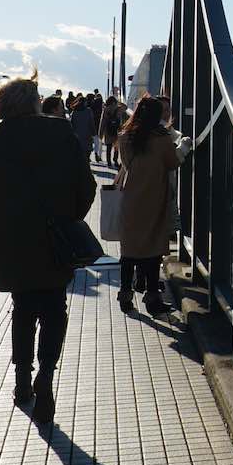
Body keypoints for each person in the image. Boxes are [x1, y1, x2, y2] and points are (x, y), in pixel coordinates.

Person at [0, 77, 96, 424]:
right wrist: (68, 220)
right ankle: (46, 375)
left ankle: (23, 380)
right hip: (54, 240)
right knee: (55, 307)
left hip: (11, 241)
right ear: (34, 101)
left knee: (22, 309)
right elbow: (87, 186)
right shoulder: (61, 135)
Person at [116, 96, 181, 316]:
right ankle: (153, 299)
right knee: (152, 252)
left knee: (129, 251)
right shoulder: (161, 138)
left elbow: (125, 163)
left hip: (131, 198)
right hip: (155, 198)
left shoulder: (125, 137)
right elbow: (173, 163)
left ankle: (125, 295)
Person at [68, 96, 96, 164]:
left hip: (77, 137)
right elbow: (91, 123)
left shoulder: (74, 112)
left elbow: (71, 125)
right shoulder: (88, 111)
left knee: (79, 154)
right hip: (87, 136)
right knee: (87, 154)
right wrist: (94, 133)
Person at [101, 97, 127, 168]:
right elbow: (126, 107)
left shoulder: (106, 109)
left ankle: (109, 162)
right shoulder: (118, 108)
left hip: (108, 130)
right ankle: (115, 161)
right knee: (116, 147)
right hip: (117, 130)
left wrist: (101, 132)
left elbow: (103, 121)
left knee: (108, 147)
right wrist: (119, 102)